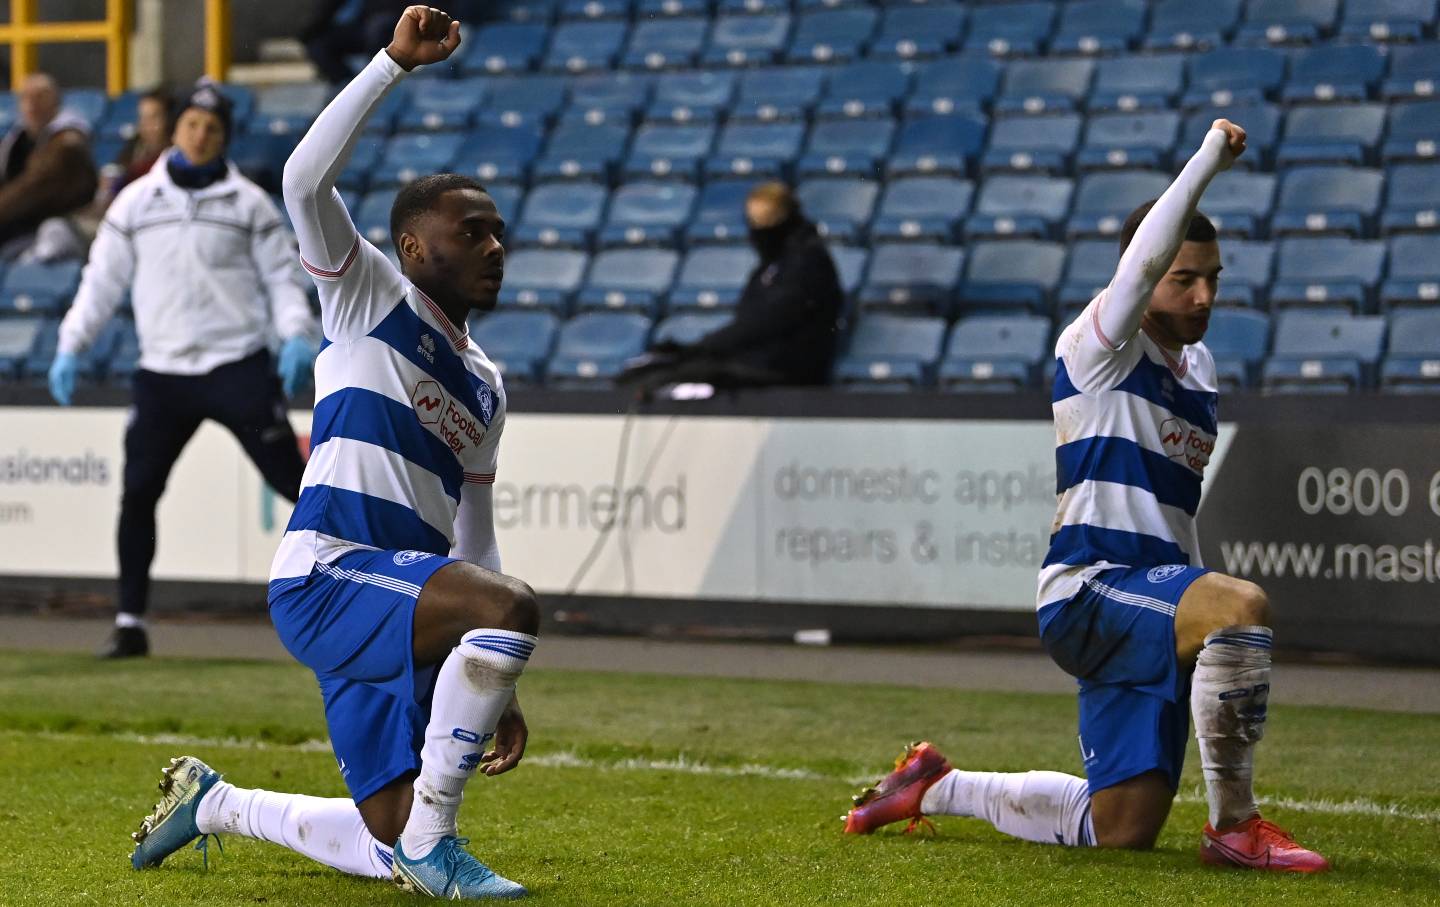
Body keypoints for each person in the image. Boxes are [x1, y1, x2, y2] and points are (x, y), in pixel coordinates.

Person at [842, 120, 1331, 874]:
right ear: (1148, 272)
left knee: (1120, 827)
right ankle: (1235, 825)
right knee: (1243, 605)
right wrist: (1205, 162)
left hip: (1153, 601)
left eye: (1214, 279)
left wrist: (1196, 623)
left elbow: (1174, 515)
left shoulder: (1197, 372)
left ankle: (936, 785)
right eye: (1183, 277)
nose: (1203, 294)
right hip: (1092, 589)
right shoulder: (1100, 345)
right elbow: (1136, 271)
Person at [128, 7, 537, 900]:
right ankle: (439, 848)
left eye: (498, 230)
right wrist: (390, 63)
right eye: (472, 231)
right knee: (509, 613)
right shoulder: (365, 297)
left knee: (387, 836)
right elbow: (304, 178)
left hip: (397, 596)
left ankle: (216, 802)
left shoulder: (488, 385)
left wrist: (495, 665)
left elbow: (477, 536)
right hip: (327, 576)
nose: (494, 246)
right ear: (412, 246)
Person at [50, 83, 318, 659]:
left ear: (224, 138)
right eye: (191, 124)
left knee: (298, 485)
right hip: (162, 373)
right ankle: (129, 623)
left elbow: (282, 280)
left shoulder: (249, 204)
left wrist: (297, 335)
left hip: (237, 365)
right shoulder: (134, 203)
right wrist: (71, 344)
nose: (199, 135)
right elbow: (100, 283)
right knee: (139, 493)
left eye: (212, 128)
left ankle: (366, 596)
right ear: (174, 129)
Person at [618, 182, 843, 398]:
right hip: (758, 359)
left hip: (791, 369)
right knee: (650, 372)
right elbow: (749, 321)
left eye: (766, 225)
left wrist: (701, 349)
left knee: (688, 372)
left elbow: (767, 322)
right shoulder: (769, 267)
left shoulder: (808, 262)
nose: (758, 235)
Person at [0, 73, 98, 262]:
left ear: (56, 102)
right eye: (25, 97)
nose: (31, 105)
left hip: (61, 226)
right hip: (21, 226)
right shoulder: (17, 140)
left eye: (40, 97)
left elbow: (34, 187)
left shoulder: (67, 143)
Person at [98, 89, 173, 205]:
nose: (146, 125)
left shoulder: (174, 157)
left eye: (153, 118)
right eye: (142, 118)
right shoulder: (135, 145)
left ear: (169, 120)